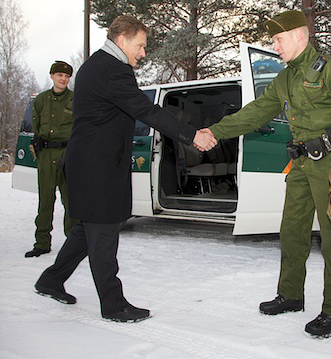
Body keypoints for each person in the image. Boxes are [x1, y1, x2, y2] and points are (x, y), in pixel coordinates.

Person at [34, 15, 217, 322]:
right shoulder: (112, 69)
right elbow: (145, 109)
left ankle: (51, 280)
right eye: (141, 45)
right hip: (96, 167)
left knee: (87, 230)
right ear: (122, 40)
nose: (143, 53)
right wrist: (193, 135)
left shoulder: (99, 65)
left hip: (93, 163)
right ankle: (113, 304)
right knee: (103, 232)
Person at [206, 10, 331, 338]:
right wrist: (215, 131)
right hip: (301, 165)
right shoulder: (285, 78)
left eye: (278, 39)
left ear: (298, 35)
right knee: (291, 231)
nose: (275, 46)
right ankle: (291, 295)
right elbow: (255, 113)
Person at [25, 61, 79, 258]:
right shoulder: (40, 100)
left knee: (70, 200)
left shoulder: (76, 99)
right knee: (45, 199)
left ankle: (73, 243)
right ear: (52, 76)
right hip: (46, 154)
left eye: (66, 76)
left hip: (68, 153)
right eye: (59, 75)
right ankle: (41, 243)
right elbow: (36, 126)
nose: (63, 79)